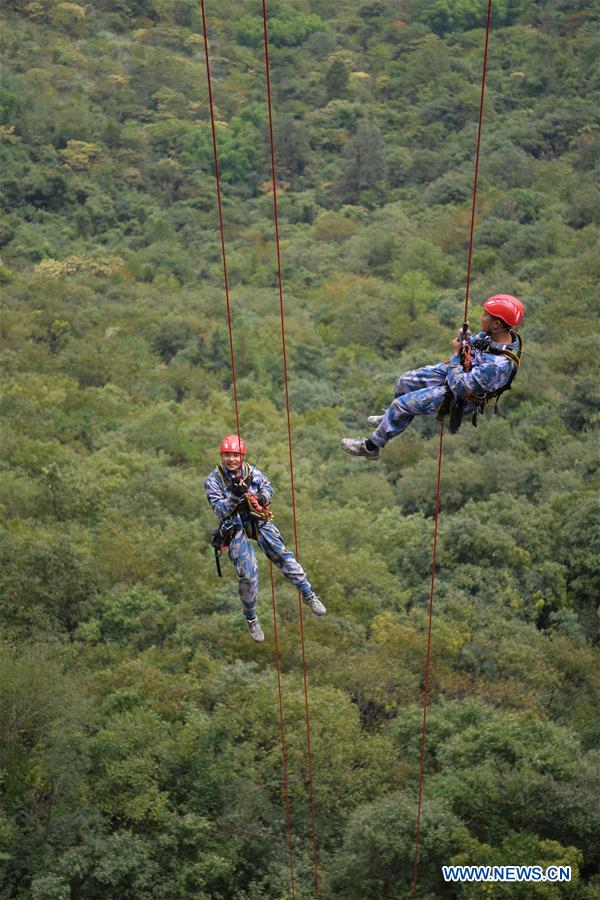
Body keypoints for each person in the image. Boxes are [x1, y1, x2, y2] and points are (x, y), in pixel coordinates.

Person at [341, 294, 524, 459]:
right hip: (460, 372)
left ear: (497, 324)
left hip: (462, 395)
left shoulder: (498, 365)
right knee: (405, 381)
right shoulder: (499, 335)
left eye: (485, 315)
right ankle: (391, 418)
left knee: (401, 405)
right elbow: (477, 342)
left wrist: (455, 355)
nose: (481, 317)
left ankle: (370, 447)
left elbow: (460, 386)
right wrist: (466, 339)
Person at [205, 434, 326, 642]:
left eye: (235, 455)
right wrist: (235, 496)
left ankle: (309, 594)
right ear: (222, 456)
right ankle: (251, 618)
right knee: (248, 574)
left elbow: (268, 488)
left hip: (256, 519)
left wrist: (260, 498)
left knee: (283, 556)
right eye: (227, 455)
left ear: (242, 456)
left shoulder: (252, 473)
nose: (231, 459)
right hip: (234, 526)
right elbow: (220, 511)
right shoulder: (213, 481)